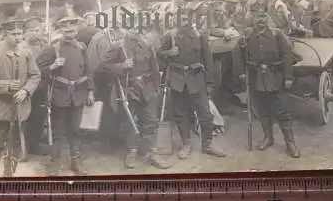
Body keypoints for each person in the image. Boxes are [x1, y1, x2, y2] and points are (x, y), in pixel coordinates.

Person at [232, 0, 300, 158]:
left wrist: (289, 77)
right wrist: (241, 72)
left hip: (276, 77)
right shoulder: (247, 35)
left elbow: (287, 55)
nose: (260, 20)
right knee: (262, 110)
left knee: (282, 111)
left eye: (263, 17)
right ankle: (268, 137)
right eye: (256, 17)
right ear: (252, 19)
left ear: (267, 18)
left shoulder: (277, 34)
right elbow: (236, 54)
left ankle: (290, 143)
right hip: (256, 79)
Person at [101, 25, 171, 169]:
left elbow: (154, 68)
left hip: (147, 88)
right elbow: (103, 66)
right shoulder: (117, 46)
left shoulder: (147, 44)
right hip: (129, 89)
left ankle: (151, 152)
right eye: (131, 26)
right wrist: (122, 66)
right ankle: (131, 151)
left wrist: (156, 87)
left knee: (151, 121)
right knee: (130, 122)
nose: (136, 30)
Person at [158, 10, 226, 159]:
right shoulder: (170, 36)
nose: (182, 21)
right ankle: (186, 144)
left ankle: (207, 144)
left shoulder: (199, 35)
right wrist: (170, 52)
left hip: (196, 79)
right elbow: (159, 55)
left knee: (205, 114)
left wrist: (209, 83)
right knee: (181, 114)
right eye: (179, 18)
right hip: (178, 80)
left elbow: (208, 59)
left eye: (185, 18)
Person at [0, 16, 41, 177]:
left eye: (20, 33)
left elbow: (35, 76)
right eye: (13, 33)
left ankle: (8, 178)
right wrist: (5, 86)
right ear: (5, 34)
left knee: (13, 147)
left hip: (18, 109)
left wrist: (25, 91)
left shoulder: (26, 54)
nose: (17, 36)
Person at [37, 14, 95, 175]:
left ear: (77, 29)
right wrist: (53, 67)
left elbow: (88, 71)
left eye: (72, 28)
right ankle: (54, 164)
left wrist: (90, 90)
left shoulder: (82, 47)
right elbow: (38, 72)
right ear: (61, 30)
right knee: (58, 131)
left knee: (76, 130)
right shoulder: (52, 48)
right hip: (59, 95)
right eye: (66, 28)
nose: (70, 31)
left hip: (78, 94)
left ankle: (75, 162)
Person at [18, 16, 50, 156]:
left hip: (42, 86)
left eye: (37, 30)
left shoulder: (44, 44)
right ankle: (26, 145)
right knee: (27, 117)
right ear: (25, 32)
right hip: (27, 87)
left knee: (39, 115)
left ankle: (35, 142)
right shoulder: (21, 47)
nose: (35, 33)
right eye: (31, 30)